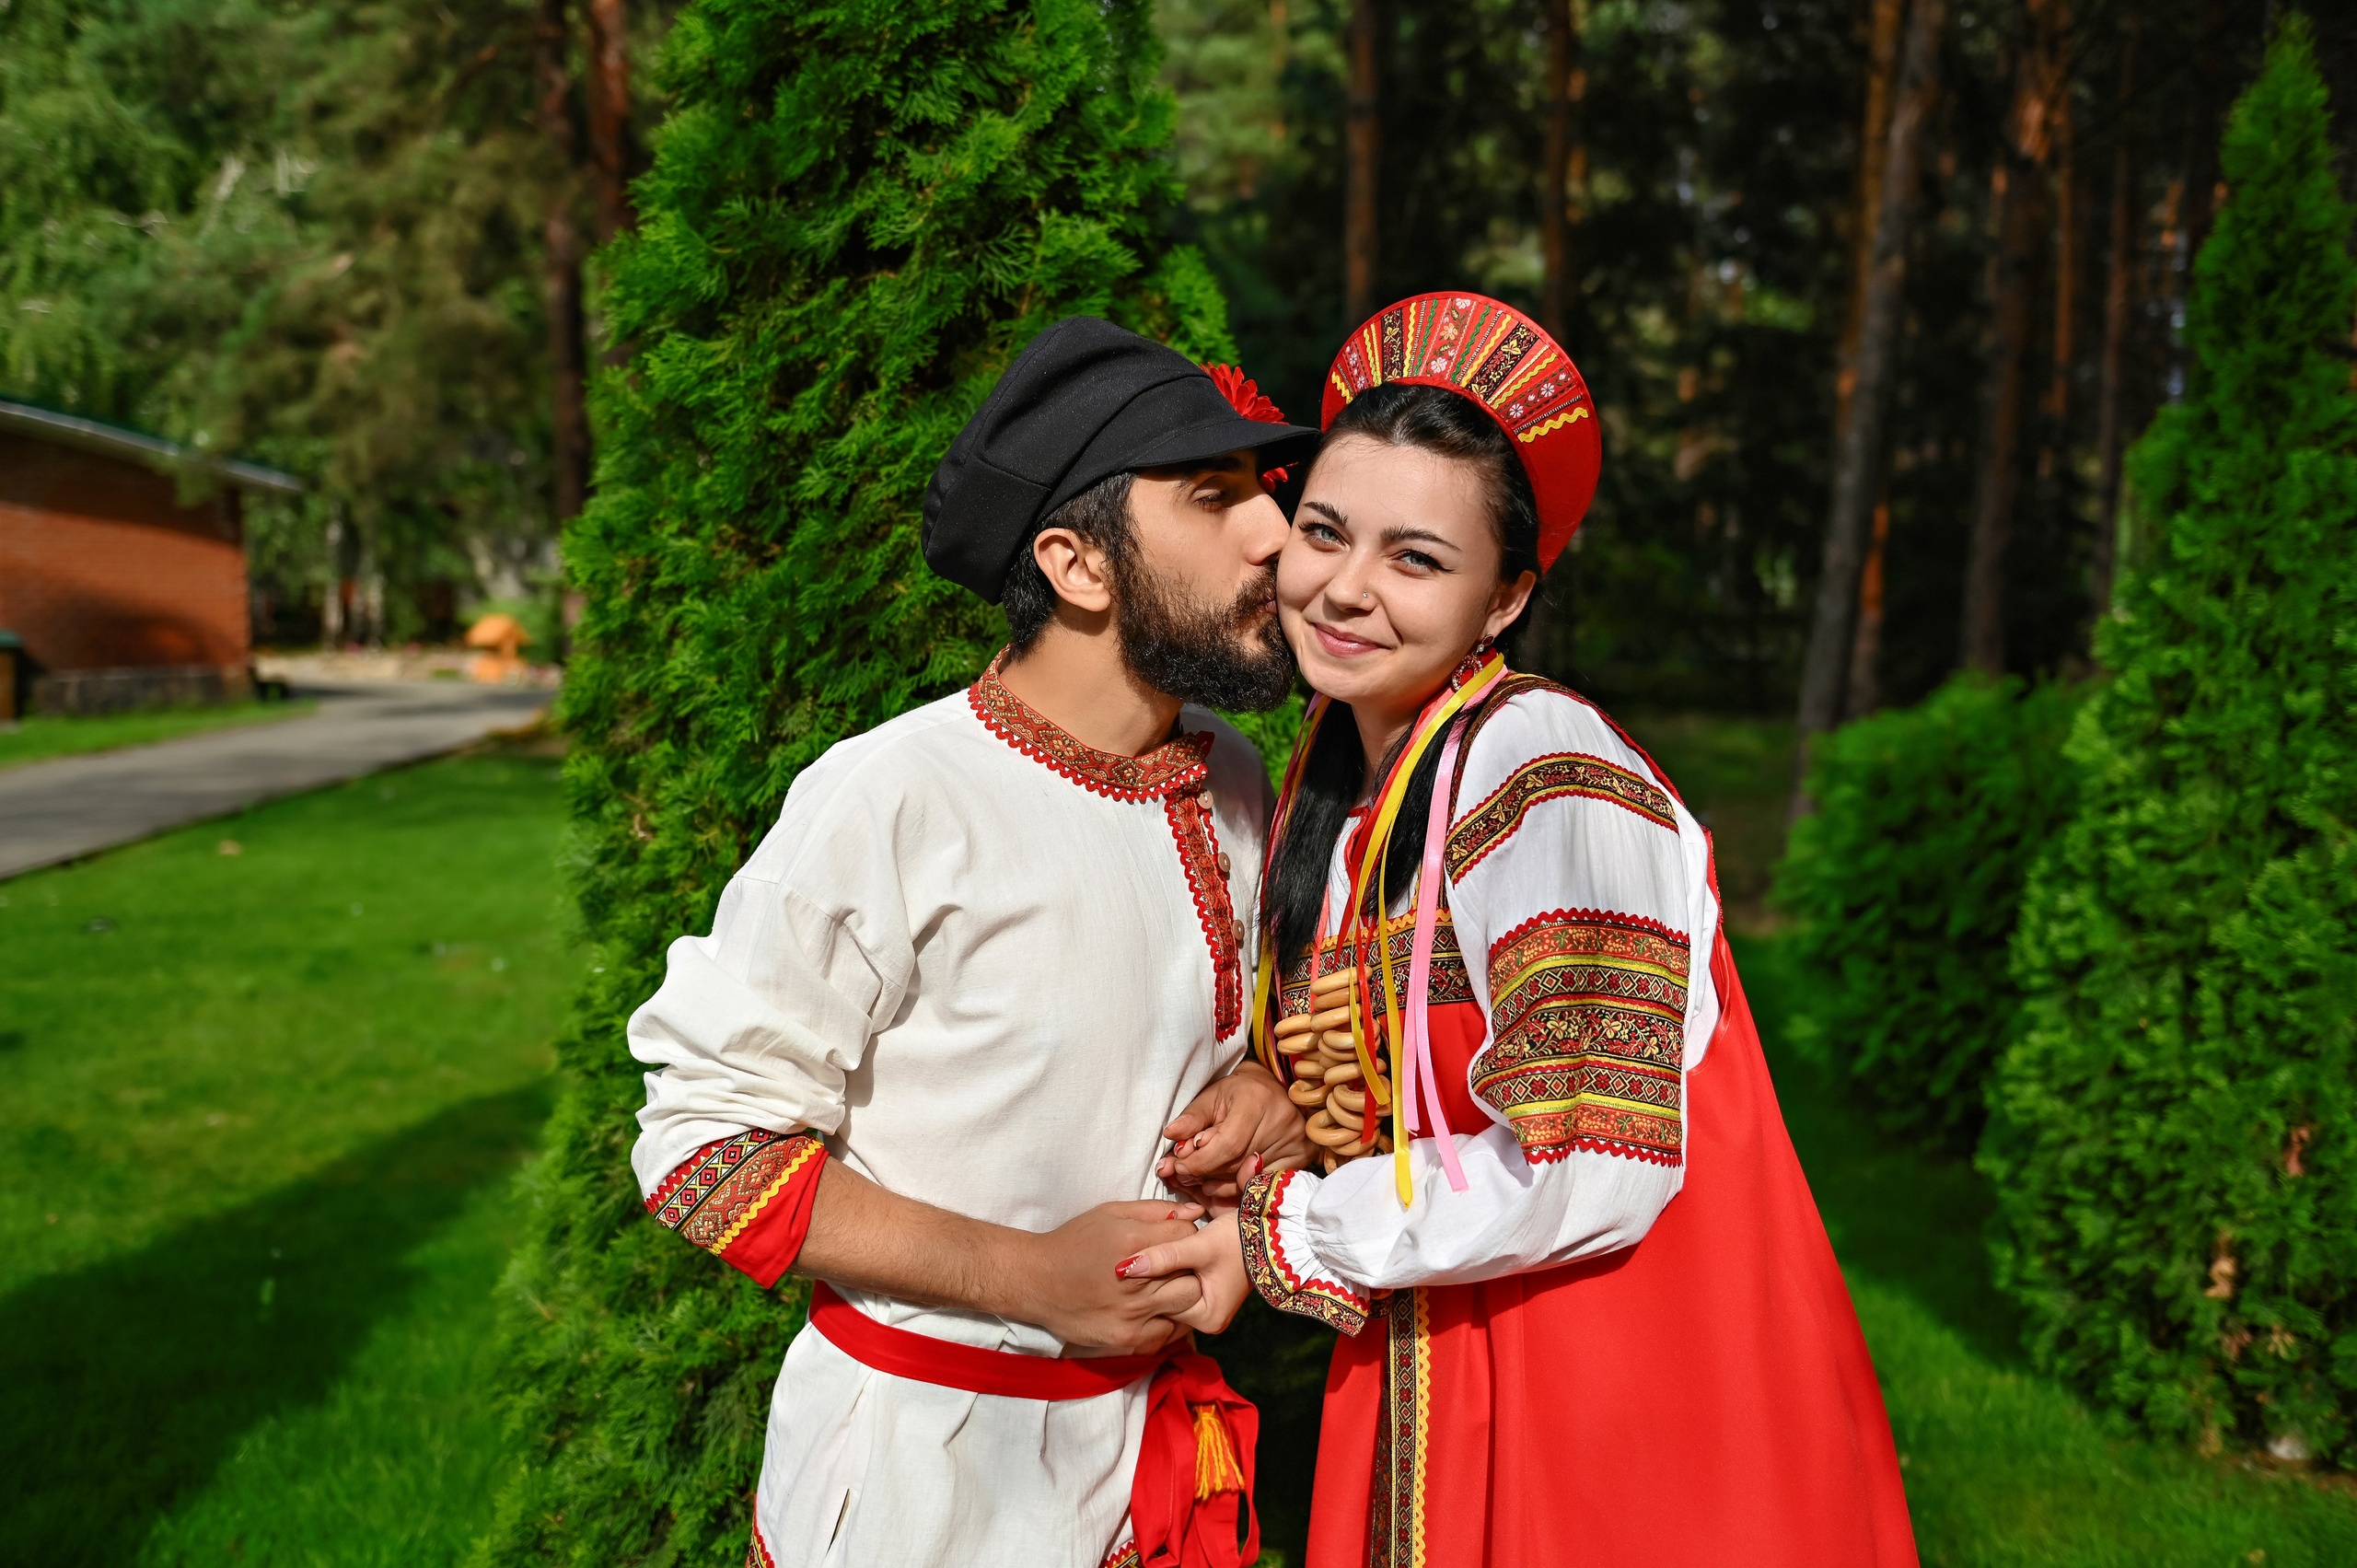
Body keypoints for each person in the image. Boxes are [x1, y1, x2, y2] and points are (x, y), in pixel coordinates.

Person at [1127, 294, 1920, 1566]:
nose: (1345, 588)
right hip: (1446, 1338)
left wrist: (1284, 1234)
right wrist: (1282, 1104)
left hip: (1620, 1383)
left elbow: (1587, 1160)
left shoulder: (1550, 774)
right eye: (1325, 533)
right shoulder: (1347, 779)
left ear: (1505, 602)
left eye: (1417, 559)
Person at [625, 317, 1319, 1568]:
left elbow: (1188, 1047)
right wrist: (1025, 1277)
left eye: (1263, 491)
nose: (1276, 530)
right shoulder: (894, 797)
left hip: (1144, 1466)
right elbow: (701, 1153)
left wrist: (1267, 1097)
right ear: (1076, 563)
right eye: (1213, 497)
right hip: (925, 1489)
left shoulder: (1233, 777)